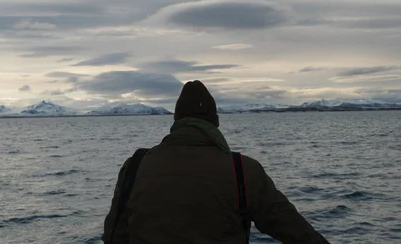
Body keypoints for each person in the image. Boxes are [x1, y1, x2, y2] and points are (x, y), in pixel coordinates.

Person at [102, 80, 330, 243]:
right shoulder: (242, 170)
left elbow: (114, 234)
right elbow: (294, 230)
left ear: (177, 120)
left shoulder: (136, 165)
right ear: (215, 123)